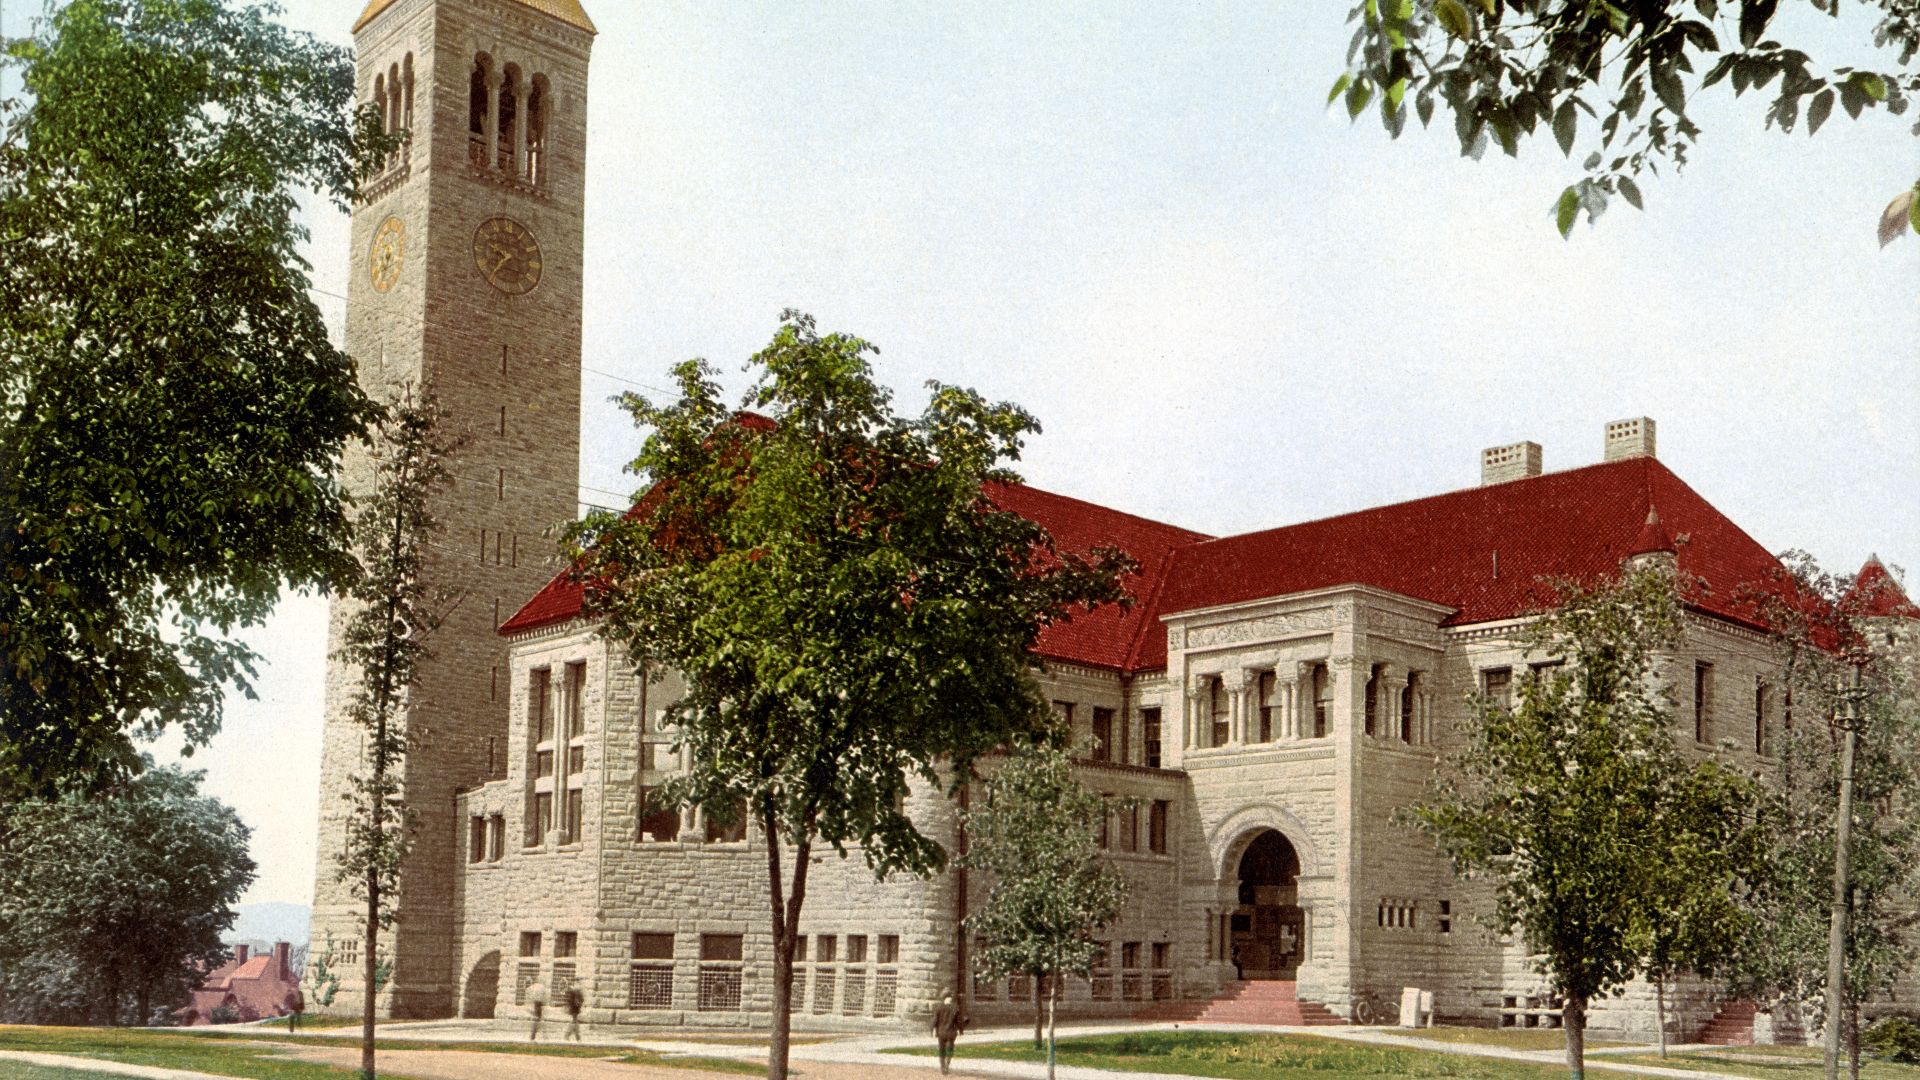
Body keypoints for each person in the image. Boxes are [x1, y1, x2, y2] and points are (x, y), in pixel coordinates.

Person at [932, 992, 966, 1075]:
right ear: (949, 998)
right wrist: (960, 1030)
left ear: (944, 998)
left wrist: (933, 1030)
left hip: (941, 1032)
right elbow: (959, 1021)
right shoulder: (955, 1008)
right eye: (950, 997)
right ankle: (947, 1065)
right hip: (951, 1032)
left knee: (941, 1050)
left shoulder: (939, 1008)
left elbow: (935, 1020)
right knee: (950, 1049)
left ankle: (943, 1067)